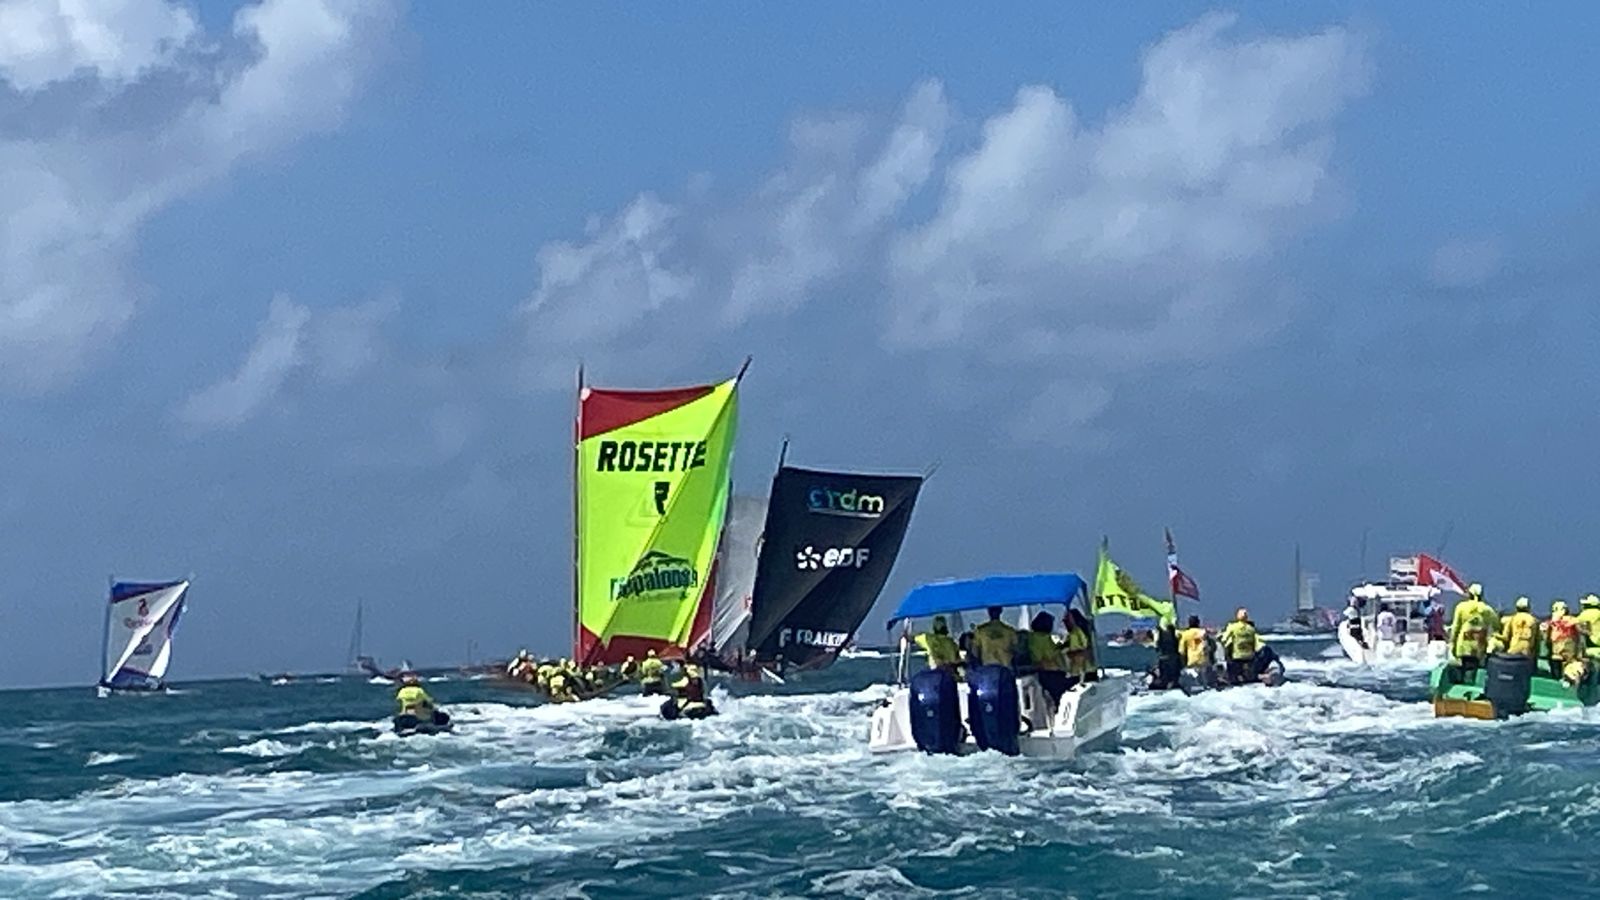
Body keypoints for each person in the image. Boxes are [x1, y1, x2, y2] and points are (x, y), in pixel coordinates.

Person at [1448, 585, 1498, 679]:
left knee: (1464, 665)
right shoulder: (1487, 609)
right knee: (1475, 666)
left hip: (1464, 643)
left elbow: (1456, 626)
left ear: (1469, 594)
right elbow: (1496, 625)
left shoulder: (1461, 607)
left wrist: (1452, 641)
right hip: (1479, 642)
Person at [1024, 611, 1070, 705]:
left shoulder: (1032, 637)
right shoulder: (1043, 638)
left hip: (1045, 672)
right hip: (1051, 672)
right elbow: (1051, 654)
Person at [1544, 600, 1586, 681]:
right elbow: (1580, 636)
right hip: (1570, 655)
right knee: (1569, 678)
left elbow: (1547, 639)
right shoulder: (1573, 620)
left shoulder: (1551, 623)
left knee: (1556, 679)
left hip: (1556, 654)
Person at [1219, 608, 1260, 685]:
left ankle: (1233, 682)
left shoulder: (1233, 627)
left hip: (1237, 656)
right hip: (1249, 656)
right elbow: (1254, 643)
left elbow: (1224, 639)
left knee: (1232, 671)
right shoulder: (1251, 629)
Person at [1151, 618, 1182, 690]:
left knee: (1164, 678)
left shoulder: (1159, 633)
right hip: (1174, 659)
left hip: (1164, 658)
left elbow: (1156, 647)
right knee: (1174, 678)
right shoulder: (1176, 634)